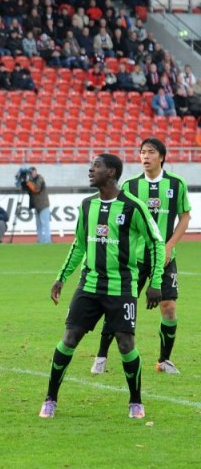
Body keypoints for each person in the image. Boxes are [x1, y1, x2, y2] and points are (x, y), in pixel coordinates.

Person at [38, 154, 165, 420]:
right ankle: (50, 399)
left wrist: (155, 282)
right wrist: (61, 277)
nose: (90, 170)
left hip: (122, 287)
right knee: (69, 339)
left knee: (125, 344)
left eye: (96, 166)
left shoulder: (133, 206)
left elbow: (156, 242)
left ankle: (135, 401)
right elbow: (79, 245)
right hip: (90, 284)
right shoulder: (87, 206)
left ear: (111, 172)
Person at [92, 139, 192, 375]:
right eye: (142, 153)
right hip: (133, 259)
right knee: (118, 305)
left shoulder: (176, 184)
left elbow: (185, 217)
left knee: (168, 307)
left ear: (162, 157)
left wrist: (169, 246)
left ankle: (164, 361)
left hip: (165, 257)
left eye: (150, 152)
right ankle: (101, 356)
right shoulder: (130, 185)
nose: (145, 157)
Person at [26, 167, 51, 243]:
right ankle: (40, 240)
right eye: (31, 172)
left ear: (36, 172)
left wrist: (28, 182)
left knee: (45, 224)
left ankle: (47, 240)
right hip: (37, 206)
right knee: (38, 225)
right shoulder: (32, 181)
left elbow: (36, 188)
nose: (32, 173)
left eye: (33, 172)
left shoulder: (40, 179)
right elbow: (29, 190)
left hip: (43, 205)